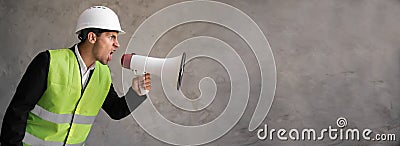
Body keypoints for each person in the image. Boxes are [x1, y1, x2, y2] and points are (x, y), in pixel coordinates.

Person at [0, 6, 151, 146]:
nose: (117, 44)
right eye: (111, 36)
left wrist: (136, 93)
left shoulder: (102, 74)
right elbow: (17, 113)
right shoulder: (49, 62)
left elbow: (115, 111)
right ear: (92, 37)